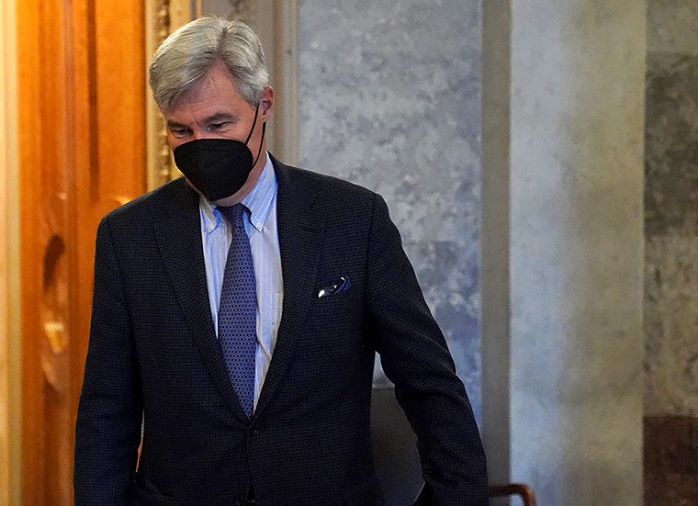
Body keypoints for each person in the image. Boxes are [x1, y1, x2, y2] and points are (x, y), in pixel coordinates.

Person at [74, 16, 488, 506]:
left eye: (219, 124)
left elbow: (429, 382)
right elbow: (107, 411)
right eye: (181, 130)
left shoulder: (354, 220)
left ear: (263, 105)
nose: (200, 145)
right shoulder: (130, 238)